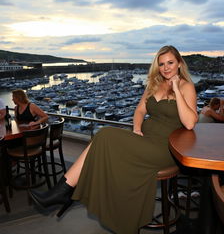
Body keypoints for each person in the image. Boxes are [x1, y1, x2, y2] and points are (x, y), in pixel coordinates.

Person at [29, 45, 198, 234]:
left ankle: (63, 191)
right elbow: (140, 110)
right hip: (145, 139)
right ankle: (64, 192)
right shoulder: (154, 84)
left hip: (165, 147)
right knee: (100, 142)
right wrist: (136, 128)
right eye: (161, 64)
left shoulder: (186, 86)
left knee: (104, 134)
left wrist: (176, 87)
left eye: (170, 63)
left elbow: (190, 123)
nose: (166, 68)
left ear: (179, 63)